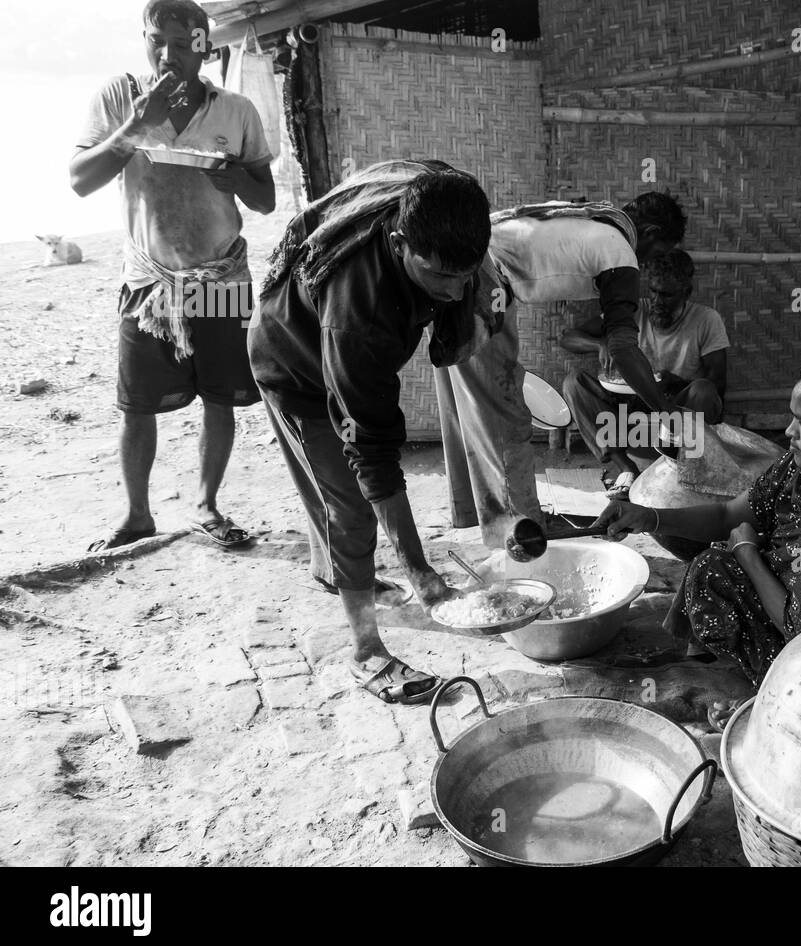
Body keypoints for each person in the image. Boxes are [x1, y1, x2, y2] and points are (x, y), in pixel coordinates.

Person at [248, 160, 509, 705]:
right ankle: (365, 652)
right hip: (293, 364)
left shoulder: (441, 218)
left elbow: (463, 279)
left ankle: (335, 571)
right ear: (398, 242)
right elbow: (373, 452)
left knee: (340, 499)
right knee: (351, 505)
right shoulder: (358, 314)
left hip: (330, 338)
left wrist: (458, 286)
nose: (458, 291)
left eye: (466, 274)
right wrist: (419, 569)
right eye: (440, 276)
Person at [598, 354, 801, 695]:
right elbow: (729, 515)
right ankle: (722, 664)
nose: (788, 432)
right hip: (797, 616)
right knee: (712, 565)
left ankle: (768, 693)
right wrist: (646, 517)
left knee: (729, 562)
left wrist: (748, 554)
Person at [70, 0, 275, 551]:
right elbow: (79, 181)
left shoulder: (234, 111)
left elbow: (266, 199)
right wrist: (135, 127)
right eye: (157, 41)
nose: (168, 55)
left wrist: (235, 179)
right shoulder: (118, 98)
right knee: (136, 404)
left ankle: (207, 505)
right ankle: (137, 514)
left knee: (220, 396)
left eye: (183, 45)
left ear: (205, 47)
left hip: (221, 280)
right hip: (149, 284)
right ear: (144, 38)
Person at [435, 192, 688, 545]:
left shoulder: (593, 222)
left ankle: (475, 513)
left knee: (468, 404)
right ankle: (520, 530)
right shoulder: (619, 249)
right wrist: (663, 411)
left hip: (454, 270)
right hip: (480, 282)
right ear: (649, 232)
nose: (648, 264)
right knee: (504, 409)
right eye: (657, 253)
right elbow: (623, 348)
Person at [560, 248, 728, 498]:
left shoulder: (706, 320)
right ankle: (626, 468)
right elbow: (568, 338)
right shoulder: (634, 312)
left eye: (667, 295)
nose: (658, 301)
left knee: (703, 390)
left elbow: (718, 385)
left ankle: (685, 469)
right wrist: (600, 343)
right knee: (574, 382)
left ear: (686, 293)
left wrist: (676, 382)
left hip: (673, 419)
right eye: (654, 292)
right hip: (627, 422)